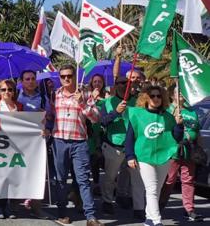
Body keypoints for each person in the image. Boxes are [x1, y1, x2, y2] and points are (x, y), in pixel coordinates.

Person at [52, 64, 104, 226]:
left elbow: (96, 118)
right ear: (60, 78)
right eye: (63, 76)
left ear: (75, 76)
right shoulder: (55, 95)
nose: (66, 79)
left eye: (69, 76)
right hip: (59, 141)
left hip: (79, 143)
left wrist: (83, 103)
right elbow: (48, 116)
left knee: (83, 180)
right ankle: (62, 214)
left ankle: (91, 217)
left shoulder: (85, 93)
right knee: (60, 180)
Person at [125, 85, 184, 226]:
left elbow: (176, 137)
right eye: (152, 96)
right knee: (151, 188)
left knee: (156, 189)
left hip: (164, 156)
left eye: (158, 96)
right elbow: (130, 138)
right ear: (146, 97)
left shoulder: (169, 117)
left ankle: (149, 219)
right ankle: (157, 221)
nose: (156, 98)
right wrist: (130, 156)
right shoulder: (136, 114)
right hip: (144, 156)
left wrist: (179, 125)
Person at [159, 86, 203, 222]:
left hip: (189, 152)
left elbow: (198, 131)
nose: (181, 95)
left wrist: (199, 148)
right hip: (173, 152)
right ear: (172, 95)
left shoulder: (192, 112)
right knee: (168, 180)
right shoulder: (167, 111)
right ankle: (159, 207)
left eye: (183, 92)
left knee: (188, 181)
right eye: (178, 92)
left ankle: (189, 210)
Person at [100, 76, 136, 215]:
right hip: (113, 145)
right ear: (115, 86)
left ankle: (122, 196)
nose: (122, 86)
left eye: (125, 83)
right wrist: (116, 112)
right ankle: (107, 201)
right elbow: (102, 121)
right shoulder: (108, 102)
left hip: (131, 146)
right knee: (110, 176)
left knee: (126, 175)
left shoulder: (136, 101)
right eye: (119, 83)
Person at [18, 70, 51, 219]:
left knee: (37, 173)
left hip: (37, 141)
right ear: (22, 81)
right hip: (18, 140)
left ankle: (36, 206)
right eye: (27, 79)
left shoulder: (43, 98)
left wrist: (46, 118)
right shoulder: (16, 96)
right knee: (16, 171)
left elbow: (51, 117)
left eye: (32, 79)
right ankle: (14, 204)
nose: (30, 81)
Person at [0, 79, 23, 219]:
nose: (7, 92)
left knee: (9, 176)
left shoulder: (19, 106)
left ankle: (6, 206)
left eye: (10, 89)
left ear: (14, 92)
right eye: (3, 89)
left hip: (14, 147)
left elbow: (26, 125)